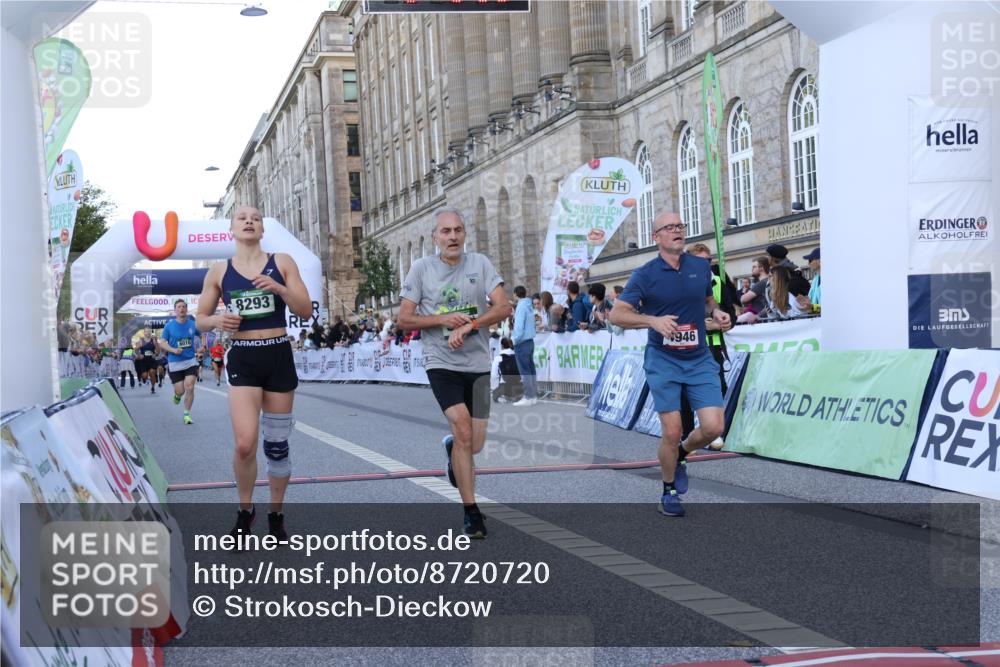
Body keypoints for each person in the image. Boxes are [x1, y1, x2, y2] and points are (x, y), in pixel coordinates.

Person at [196, 205, 314, 542]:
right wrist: (219, 321)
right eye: (242, 218)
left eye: (256, 218)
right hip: (244, 357)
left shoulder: (282, 262)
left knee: (276, 445)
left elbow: (304, 309)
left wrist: (278, 289)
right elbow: (200, 319)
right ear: (231, 228)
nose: (249, 221)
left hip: (277, 353)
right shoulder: (219, 271)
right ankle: (245, 511)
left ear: (262, 229)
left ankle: (276, 513)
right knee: (246, 444)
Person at [397, 208, 510, 539]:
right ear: (435, 238)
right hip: (440, 360)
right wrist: (442, 321)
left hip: (476, 363)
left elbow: (503, 307)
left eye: (458, 230)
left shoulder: (480, 264)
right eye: (445, 231)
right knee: (462, 429)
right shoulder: (421, 269)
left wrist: (471, 324)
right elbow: (405, 318)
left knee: (473, 444)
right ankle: (471, 512)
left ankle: (454, 452)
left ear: (464, 234)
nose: (452, 237)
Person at [609, 212, 731, 517]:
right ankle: (668, 489)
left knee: (714, 426)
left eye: (680, 226)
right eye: (670, 227)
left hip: (699, 356)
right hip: (663, 359)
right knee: (673, 429)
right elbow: (617, 314)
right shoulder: (645, 274)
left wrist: (716, 312)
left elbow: (707, 299)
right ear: (656, 237)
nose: (677, 230)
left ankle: (682, 454)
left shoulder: (701, 267)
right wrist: (651, 319)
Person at [685, 243, 740, 450]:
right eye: (699, 261)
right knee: (687, 390)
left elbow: (731, 313)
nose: (705, 265)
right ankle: (690, 433)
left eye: (708, 261)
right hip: (688, 346)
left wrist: (725, 323)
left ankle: (715, 431)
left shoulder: (718, 282)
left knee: (718, 386)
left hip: (713, 346)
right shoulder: (679, 282)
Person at [159, 299, 202, 425]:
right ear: (175, 310)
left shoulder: (193, 324)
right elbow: (162, 343)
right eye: (179, 307)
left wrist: (202, 347)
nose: (181, 309)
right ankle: (177, 395)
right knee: (180, 391)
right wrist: (173, 350)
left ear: (186, 309)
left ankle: (186, 414)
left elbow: (202, 334)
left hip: (190, 360)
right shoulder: (169, 326)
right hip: (175, 362)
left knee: (190, 386)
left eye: (183, 306)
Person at [510, 285, 538, 406]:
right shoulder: (529, 305)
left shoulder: (521, 307)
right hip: (530, 340)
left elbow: (519, 327)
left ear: (515, 294)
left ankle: (528, 396)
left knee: (524, 370)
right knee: (531, 369)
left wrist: (514, 339)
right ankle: (533, 396)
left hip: (522, 341)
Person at [738, 255, 771, 324]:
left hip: (761, 320)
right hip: (764, 318)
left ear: (761, 268)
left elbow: (743, 299)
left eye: (754, 267)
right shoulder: (769, 280)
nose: (752, 269)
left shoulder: (762, 283)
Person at [491, 337, 523, 403]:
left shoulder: (498, 358)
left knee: (494, 395)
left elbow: (494, 375)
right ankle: (518, 395)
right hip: (520, 386)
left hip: (505, 387)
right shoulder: (518, 356)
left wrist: (494, 389)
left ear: (502, 346)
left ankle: (505, 396)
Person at [137, 327, 159, 393]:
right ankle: (144, 378)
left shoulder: (153, 340)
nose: (148, 333)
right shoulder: (141, 340)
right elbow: (135, 349)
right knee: (144, 375)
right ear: (144, 333)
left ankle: (153, 387)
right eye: (146, 331)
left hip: (151, 360)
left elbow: (158, 351)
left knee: (152, 372)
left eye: (149, 331)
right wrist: (139, 355)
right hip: (143, 361)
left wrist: (155, 353)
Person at [800, 247, 821, 312]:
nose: (808, 264)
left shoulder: (832, 279)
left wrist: (812, 307)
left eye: (810, 260)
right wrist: (805, 303)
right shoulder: (815, 279)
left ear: (819, 260)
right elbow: (811, 302)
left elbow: (830, 307)